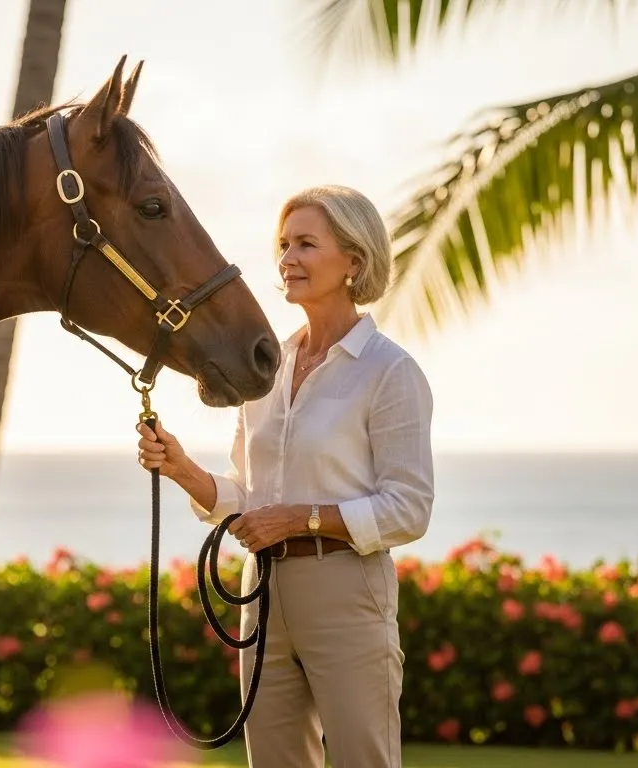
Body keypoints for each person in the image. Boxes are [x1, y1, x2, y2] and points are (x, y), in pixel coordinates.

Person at [136, 184, 434, 767]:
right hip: (264, 589)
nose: (287, 259)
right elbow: (246, 498)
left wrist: (300, 518)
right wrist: (181, 469)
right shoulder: (268, 366)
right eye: (283, 244)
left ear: (354, 260)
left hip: (347, 589)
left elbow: (409, 509)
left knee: (362, 759)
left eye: (305, 244)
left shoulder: (390, 372)